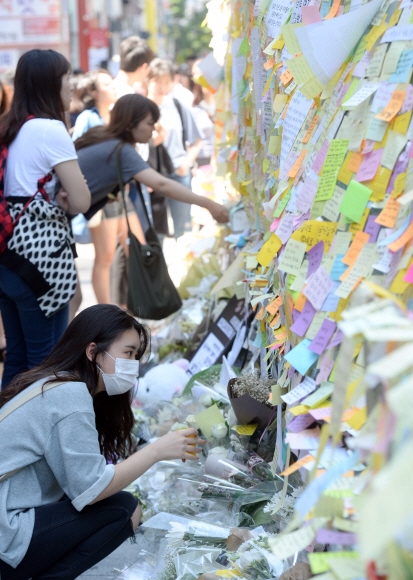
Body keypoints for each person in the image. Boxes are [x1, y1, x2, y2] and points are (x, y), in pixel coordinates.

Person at [0, 304, 203, 578]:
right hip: (7, 532)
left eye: (136, 355)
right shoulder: (69, 394)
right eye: (128, 353)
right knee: (124, 509)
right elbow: (90, 489)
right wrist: (157, 451)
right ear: (93, 352)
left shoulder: (57, 383)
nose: (134, 365)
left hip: (10, 518)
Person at [0, 49, 91, 390]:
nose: (72, 87)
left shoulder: (11, 127)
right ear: (52, 84)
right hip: (41, 262)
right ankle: (33, 440)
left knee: (19, 358)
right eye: (68, 79)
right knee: (46, 362)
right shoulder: (51, 129)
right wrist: (65, 200)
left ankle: (5, 436)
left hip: (8, 257)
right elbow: (81, 200)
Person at [74, 94, 229, 247]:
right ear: (130, 124)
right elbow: (162, 185)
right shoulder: (121, 150)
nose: (154, 129)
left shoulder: (104, 137)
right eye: (150, 123)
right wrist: (208, 204)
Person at [147, 58, 203, 238]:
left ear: (173, 82)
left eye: (166, 81)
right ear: (148, 80)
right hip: (151, 177)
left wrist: (185, 164)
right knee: (156, 231)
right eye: (157, 81)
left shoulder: (178, 105)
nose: (162, 86)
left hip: (179, 173)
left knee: (183, 229)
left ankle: (183, 262)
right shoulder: (141, 108)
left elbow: (197, 140)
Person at [72, 69, 117, 140]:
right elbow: (77, 147)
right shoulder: (86, 118)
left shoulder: (117, 116)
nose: (113, 87)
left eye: (113, 83)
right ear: (94, 93)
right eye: (107, 84)